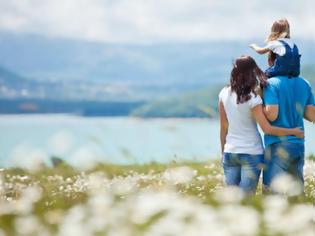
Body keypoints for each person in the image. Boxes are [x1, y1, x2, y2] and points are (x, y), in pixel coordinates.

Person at [219, 56, 304, 195]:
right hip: (251, 153)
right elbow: (267, 129)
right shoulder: (253, 98)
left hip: (230, 152)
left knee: (231, 200)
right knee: (246, 199)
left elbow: (223, 127)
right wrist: (293, 131)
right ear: (252, 72)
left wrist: (223, 152)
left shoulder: (223, 93)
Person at [262, 69, 315, 192]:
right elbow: (312, 116)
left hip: (276, 145)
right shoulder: (304, 83)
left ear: (272, 61)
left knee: (272, 192)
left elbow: (272, 115)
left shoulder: (270, 83)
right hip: (298, 144)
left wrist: (260, 107)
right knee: (296, 193)